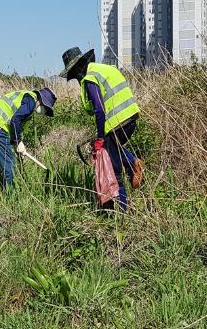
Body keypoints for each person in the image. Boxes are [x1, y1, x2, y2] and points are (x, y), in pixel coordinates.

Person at [60, 47, 144, 210]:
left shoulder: (90, 78)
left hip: (117, 124)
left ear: (79, 67)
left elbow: (99, 109)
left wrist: (100, 137)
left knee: (114, 167)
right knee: (114, 155)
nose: (76, 78)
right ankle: (131, 166)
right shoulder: (104, 69)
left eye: (74, 73)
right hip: (130, 117)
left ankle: (121, 209)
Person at [0, 87, 56, 189]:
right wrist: (18, 142)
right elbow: (15, 119)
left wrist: (15, 144)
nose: (44, 112)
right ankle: (9, 196)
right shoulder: (31, 100)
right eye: (46, 108)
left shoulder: (24, 97)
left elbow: (14, 124)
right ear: (41, 101)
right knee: (9, 164)